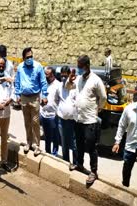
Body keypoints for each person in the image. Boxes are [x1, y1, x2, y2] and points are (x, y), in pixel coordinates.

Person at [66, 55, 107, 185]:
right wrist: (70, 78)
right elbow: (68, 87)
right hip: (79, 119)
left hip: (90, 120)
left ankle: (93, 171)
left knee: (91, 147)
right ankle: (79, 164)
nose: (78, 69)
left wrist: (98, 109)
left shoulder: (96, 80)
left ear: (87, 66)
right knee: (79, 144)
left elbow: (103, 97)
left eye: (79, 67)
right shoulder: (78, 79)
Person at [14, 47, 48, 156]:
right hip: (24, 97)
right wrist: (17, 94)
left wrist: (45, 95)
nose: (30, 59)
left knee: (35, 122)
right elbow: (17, 82)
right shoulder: (20, 67)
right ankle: (28, 142)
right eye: (27, 57)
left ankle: (36, 145)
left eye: (31, 56)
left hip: (35, 98)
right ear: (23, 58)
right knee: (27, 122)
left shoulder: (38, 67)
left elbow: (43, 82)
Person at [55, 66, 78, 170]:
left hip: (73, 120)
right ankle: (65, 162)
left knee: (74, 143)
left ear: (69, 75)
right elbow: (56, 100)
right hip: (62, 120)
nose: (63, 77)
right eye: (62, 75)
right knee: (64, 142)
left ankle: (76, 163)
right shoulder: (59, 87)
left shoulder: (75, 87)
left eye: (65, 75)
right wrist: (59, 111)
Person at [40, 66, 60, 156]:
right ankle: (47, 152)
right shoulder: (44, 84)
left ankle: (54, 153)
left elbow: (60, 100)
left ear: (52, 75)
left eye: (47, 75)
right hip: (44, 114)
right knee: (47, 136)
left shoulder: (58, 85)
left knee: (55, 136)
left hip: (53, 115)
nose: (45, 76)